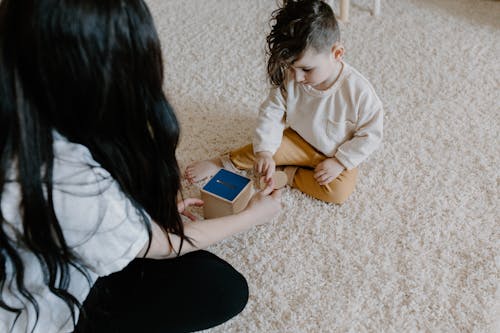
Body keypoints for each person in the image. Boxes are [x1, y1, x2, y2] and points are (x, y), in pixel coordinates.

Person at [0, 0, 282, 332]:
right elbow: (165, 245)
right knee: (222, 287)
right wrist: (254, 215)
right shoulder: (73, 182)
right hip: (34, 315)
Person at [185, 0, 383, 204]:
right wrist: (264, 152)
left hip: (335, 153)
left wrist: (340, 162)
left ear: (337, 53)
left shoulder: (359, 92)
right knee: (260, 152)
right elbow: (271, 113)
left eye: (306, 69)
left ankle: (289, 175)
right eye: (290, 67)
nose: (297, 78)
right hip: (298, 140)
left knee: (338, 191)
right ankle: (222, 162)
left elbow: (371, 135)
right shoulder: (292, 78)